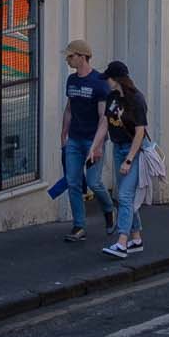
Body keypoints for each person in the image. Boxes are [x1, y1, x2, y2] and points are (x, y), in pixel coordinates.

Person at [57, 40, 115, 243]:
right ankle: (79, 226)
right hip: (74, 139)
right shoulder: (71, 81)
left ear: (82, 57)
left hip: (92, 140)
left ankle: (109, 209)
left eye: (71, 56)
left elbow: (103, 117)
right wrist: (64, 133)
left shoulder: (98, 82)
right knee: (73, 182)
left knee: (93, 182)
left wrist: (97, 145)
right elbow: (69, 109)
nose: (68, 59)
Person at [100, 60, 152, 259]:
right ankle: (136, 239)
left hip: (134, 151)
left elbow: (140, 132)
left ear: (116, 79)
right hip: (118, 148)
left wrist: (129, 159)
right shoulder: (112, 97)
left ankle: (122, 242)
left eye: (108, 78)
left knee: (124, 196)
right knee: (125, 196)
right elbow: (105, 124)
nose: (106, 81)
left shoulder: (136, 99)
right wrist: (95, 146)